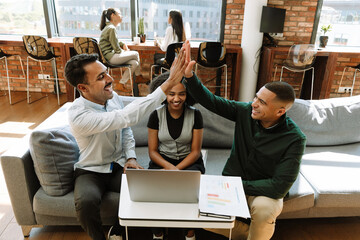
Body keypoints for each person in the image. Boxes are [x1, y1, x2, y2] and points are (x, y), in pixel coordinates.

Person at [180, 46, 306, 240]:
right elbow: (212, 101)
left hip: (263, 192)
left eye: (262, 102)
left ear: (280, 111)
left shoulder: (295, 138)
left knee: (264, 211)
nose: (254, 103)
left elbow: (278, 187)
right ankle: (249, 235)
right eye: (256, 97)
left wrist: (240, 186)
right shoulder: (245, 111)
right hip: (232, 184)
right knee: (197, 212)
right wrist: (189, 76)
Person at [64, 49, 188, 240]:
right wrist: (168, 83)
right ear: (83, 88)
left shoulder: (114, 99)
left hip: (118, 165)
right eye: (100, 77)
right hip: (91, 169)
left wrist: (130, 157)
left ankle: (119, 229)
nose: (109, 79)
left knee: (147, 190)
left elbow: (125, 129)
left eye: (106, 72)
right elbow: (125, 118)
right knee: (86, 203)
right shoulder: (79, 115)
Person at [147, 72, 205, 240]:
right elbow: (152, 151)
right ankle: (157, 232)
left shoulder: (196, 115)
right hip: (162, 161)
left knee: (189, 192)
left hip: (189, 162)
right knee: (154, 192)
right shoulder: (155, 115)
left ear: (188, 95)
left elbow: (195, 152)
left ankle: (189, 232)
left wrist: (176, 170)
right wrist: (169, 167)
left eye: (182, 94)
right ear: (164, 93)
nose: (176, 98)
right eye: (171, 94)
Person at [99, 8, 148, 93]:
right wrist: (126, 52)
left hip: (110, 56)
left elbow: (114, 41)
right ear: (113, 15)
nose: (121, 16)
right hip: (110, 57)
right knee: (135, 54)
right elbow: (117, 49)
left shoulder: (109, 27)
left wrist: (123, 44)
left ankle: (121, 84)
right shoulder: (111, 28)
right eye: (119, 14)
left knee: (134, 63)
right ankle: (139, 76)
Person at [153, 9, 186, 77]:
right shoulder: (182, 30)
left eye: (169, 16)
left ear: (172, 18)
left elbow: (164, 48)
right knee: (160, 57)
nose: (168, 18)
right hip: (178, 59)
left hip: (170, 61)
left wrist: (158, 43)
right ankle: (163, 76)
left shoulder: (170, 29)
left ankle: (158, 77)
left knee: (156, 56)